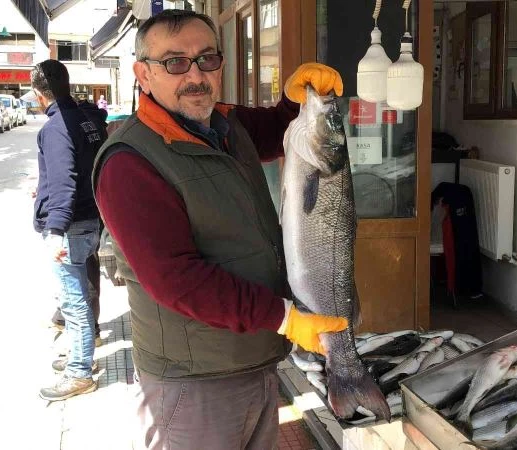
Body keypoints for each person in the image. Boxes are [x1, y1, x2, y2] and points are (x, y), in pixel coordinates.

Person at [92, 9, 348, 449]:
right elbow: (177, 282)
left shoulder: (225, 125)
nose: (195, 75)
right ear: (143, 74)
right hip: (193, 383)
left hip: (256, 359)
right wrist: (284, 318)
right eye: (174, 62)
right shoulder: (129, 163)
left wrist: (297, 101)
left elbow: (276, 131)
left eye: (207, 58)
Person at [31, 59, 109, 401]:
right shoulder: (88, 118)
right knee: (83, 294)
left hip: (72, 226)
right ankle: (80, 356)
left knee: (73, 301)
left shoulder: (56, 128)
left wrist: (55, 231)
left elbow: (65, 182)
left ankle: (80, 372)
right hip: (93, 218)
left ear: (38, 94)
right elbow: (82, 169)